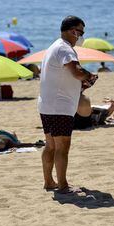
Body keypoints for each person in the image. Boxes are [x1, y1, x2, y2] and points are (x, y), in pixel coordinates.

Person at [38, 16, 98, 193]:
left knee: (50, 145)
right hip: (60, 107)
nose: (81, 36)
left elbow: (63, 77)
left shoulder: (53, 47)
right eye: (81, 32)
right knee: (62, 147)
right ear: (73, 31)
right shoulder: (65, 49)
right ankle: (63, 185)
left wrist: (81, 83)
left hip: (47, 104)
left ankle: (49, 181)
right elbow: (76, 71)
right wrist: (90, 76)